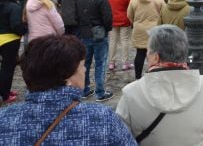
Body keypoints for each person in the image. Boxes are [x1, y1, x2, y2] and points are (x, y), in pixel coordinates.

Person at [0, 34, 136, 145]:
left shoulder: (4, 119)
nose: (84, 70)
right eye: (81, 66)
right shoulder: (102, 119)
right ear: (66, 77)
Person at [116, 25, 203, 145]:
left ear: (156, 57)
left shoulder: (131, 93)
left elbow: (118, 139)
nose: (146, 55)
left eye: (148, 51)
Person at [75, 0, 114, 102]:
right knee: (100, 63)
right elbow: (107, 18)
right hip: (99, 33)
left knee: (85, 63)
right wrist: (106, 29)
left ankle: (85, 90)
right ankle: (100, 92)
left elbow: (76, 17)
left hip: (84, 33)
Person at [128, 0, 165, 80]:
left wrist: (135, 23)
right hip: (155, 29)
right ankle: (154, 76)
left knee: (140, 53)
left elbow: (129, 15)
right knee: (155, 54)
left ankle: (138, 77)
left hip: (139, 29)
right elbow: (163, 12)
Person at [0, 0, 27, 104]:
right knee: (8, 68)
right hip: (10, 40)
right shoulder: (14, 7)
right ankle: (5, 95)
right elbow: (16, 25)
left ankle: (4, 91)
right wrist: (24, 30)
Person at [104, 0, 135, 71]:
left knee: (112, 41)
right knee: (125, 40)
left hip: (112, 19)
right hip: (124, 20)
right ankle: (125, 63)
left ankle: (111, 63)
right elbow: (132, 6)